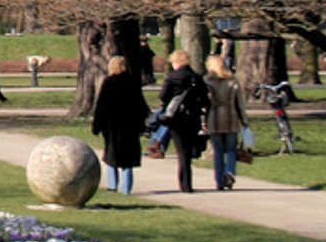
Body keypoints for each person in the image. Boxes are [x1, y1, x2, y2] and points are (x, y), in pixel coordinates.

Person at [90, 54, 149, 193]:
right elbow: (140, 105)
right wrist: (142, 125)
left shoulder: (109, 83)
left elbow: (101, 106)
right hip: (130, 125)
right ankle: (126, 188)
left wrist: (97, 126)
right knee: (128, 159)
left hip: (112, 126)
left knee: (112, 155)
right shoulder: (133, 82)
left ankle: (112, 184)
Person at [156, 49, 207, 193]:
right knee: (188, 151)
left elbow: (163, 95)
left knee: (181, 152)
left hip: (176, 118)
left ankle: (185, 183)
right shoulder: (196, 77)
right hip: (192, 117)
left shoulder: (172, 77)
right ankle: (188, 182)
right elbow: (204, 98)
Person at [202, 54, 249, 191]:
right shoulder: (232, 81)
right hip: (231, 117)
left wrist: (203, 121)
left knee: (218, 151)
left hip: (214, 118)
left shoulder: (207, 82)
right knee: (231, 149)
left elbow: (204, 105)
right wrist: (244, 120)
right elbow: (239, 103)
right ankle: (229, 171)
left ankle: (219, 180)